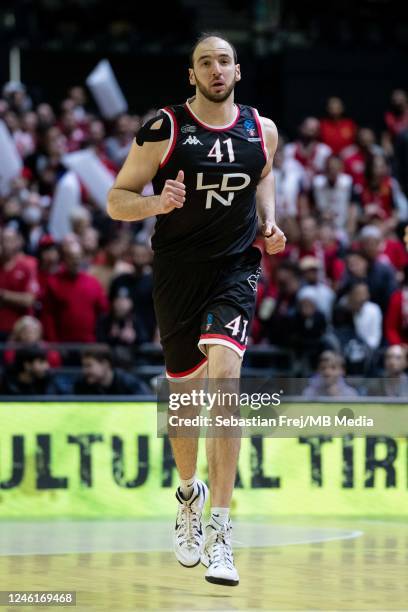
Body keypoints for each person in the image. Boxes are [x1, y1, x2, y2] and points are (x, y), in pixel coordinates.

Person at [107, 33, 286, 586]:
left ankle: (223, 533)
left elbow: (263, 175)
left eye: (224, 61)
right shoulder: (164, 127)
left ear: (237, 71)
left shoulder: (262, 129)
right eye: (204, 62)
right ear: (191, 75)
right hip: (178, 274)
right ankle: (189, 495)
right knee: (184, 400)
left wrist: (268, 222)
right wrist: (156, 203)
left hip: (235, 268)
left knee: (225, 378)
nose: (215, 69)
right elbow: (117, 199)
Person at [74, 346, 150, 395]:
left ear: (105, 364)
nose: (84, 371)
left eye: (88, 366)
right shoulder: (81, 384)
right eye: (83, 366)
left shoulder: (128, 383)